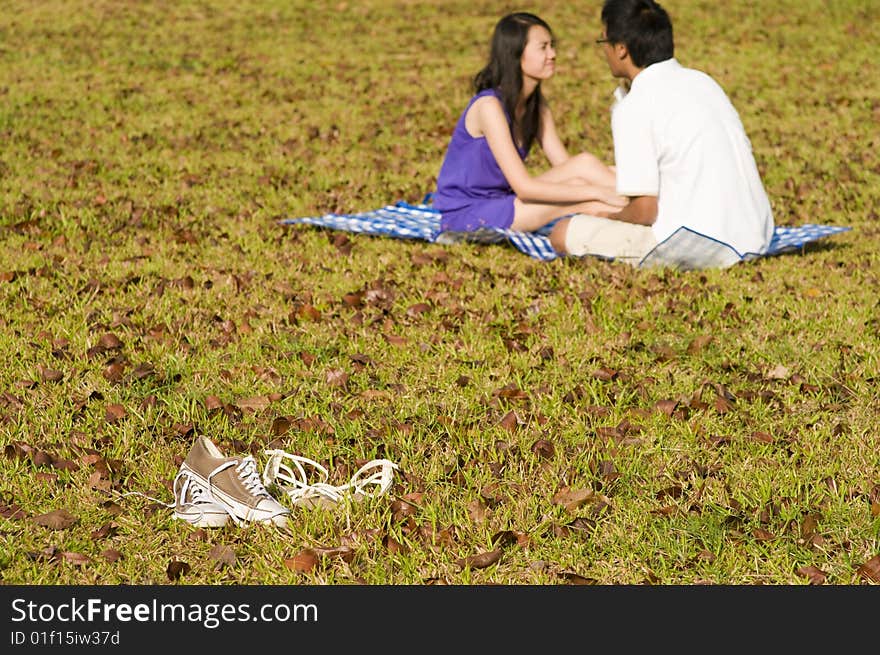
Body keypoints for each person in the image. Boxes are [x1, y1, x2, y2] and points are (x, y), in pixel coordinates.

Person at [549, 0, 774, 264]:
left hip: (698, 243)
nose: (604, 52)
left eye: (604, 43)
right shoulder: (703, 81)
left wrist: (610, 218)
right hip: (755, 235)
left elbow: (645, 211)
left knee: (563, 232)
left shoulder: (634, 105)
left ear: (621, 49)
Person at [433, 12, 627, 235]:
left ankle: (649, 197)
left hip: (505, 201)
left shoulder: (536, 105)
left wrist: (598, 182)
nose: (552, 54)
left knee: (584, 164)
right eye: (543, 47)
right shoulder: (489, 107)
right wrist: (597, 192)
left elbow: (567, 166)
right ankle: (647, 216)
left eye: (552, 46)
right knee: (590, 203)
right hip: (468, 212)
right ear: (515, 54)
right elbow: (524, 188)